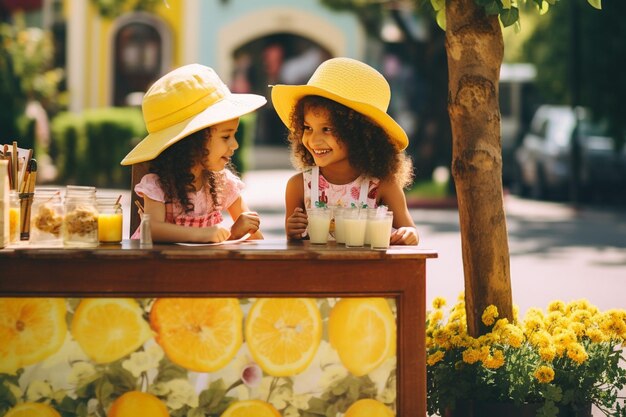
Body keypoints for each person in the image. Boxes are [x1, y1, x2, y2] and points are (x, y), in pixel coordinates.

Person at [271, 57, 419, 245]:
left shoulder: (383, 185)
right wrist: (292, 231)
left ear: (360, 134)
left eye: (328, 129)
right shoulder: (298, 186)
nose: (314, 140)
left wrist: (408, 233)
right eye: (308, 128)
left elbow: (410, 231)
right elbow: (294, 245)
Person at [120, 63, 266, 243]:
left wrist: (236, 233)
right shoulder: (159, 186)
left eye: (234, 135)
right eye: (226, 136)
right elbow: (151, 229)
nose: (234, 144)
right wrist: (202, 235)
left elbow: (255, 239)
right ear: (192, 141)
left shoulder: (221, 183)